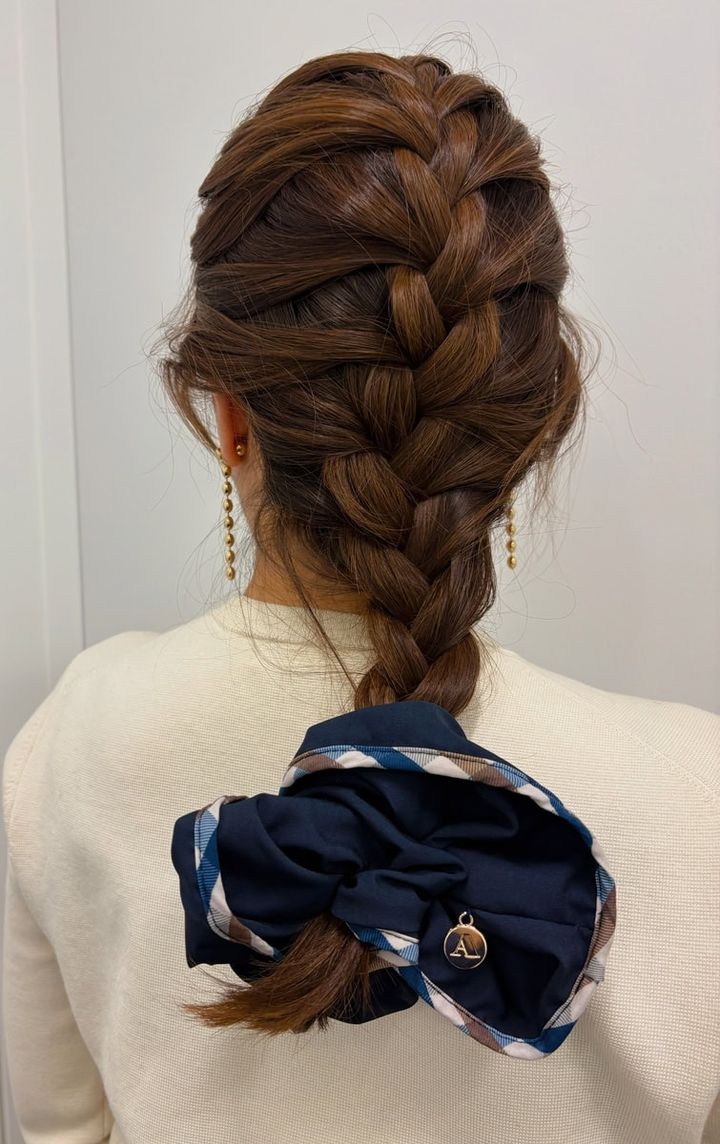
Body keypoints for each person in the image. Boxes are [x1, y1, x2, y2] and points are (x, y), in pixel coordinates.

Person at [2, 48, 718, 1144]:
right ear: (526, 427)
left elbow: (59, 1131)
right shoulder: (699, 796)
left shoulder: (72, 745)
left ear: (228, 418)